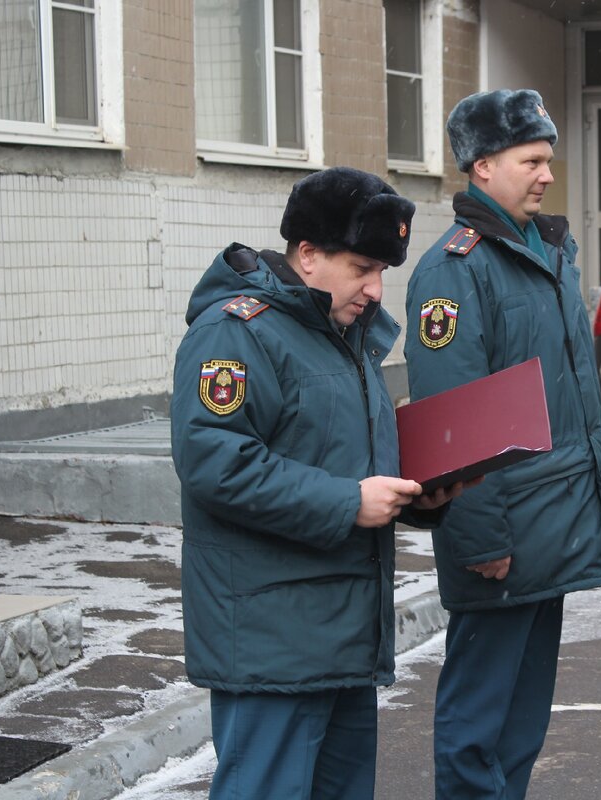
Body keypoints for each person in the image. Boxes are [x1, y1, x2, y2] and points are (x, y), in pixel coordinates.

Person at [171, 166, 466, 800]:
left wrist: (419, 497)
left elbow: (341, 457)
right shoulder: (237, 332)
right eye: (362, 267)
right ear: (307, 255)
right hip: (272, 639)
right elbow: (214, 462)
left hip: (341, 636)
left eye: (383, 271)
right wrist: (347, 503)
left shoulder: (339, 338)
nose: (375, 288)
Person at [404, 89, 601, 799]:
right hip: (499, 537)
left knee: (522, 723)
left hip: (547, 525)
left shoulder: (544, 251)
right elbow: (450, 424)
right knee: (478, 724)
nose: (547, 175)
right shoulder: (455, 271)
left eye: (547, 160)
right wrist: (477, 540)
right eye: (532, 160)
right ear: (482, 167)